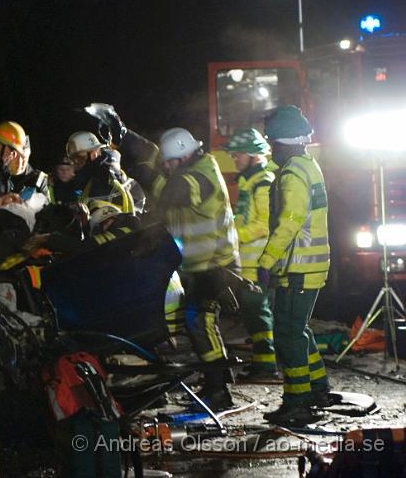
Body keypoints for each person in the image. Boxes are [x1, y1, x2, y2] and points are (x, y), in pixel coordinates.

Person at [135, 127, 240, 409]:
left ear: (183, 156)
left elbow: (169, 194)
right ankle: (218, 379)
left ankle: (218, 391)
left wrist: (143, 172)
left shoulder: (201, 174)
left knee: (199, 322)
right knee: (200, 323)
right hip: (202, 265)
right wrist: (124, 136)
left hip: (216, 265)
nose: (166, 168)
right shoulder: (190, 171)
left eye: (169, 163)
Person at [258, 106, 331, 426]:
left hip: (298, 266)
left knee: (287, 334)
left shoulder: (291, 173)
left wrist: (266, 261)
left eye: (273, 142)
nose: (271, 148)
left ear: (284, 142)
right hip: (309, 265)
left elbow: (289, 222)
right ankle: (317, 389)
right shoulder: (308, 165)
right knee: (298, 329)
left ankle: (297, 401)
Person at [224, 128, 279, 381]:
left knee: (258, 312)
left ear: (253, 155)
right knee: (252, 313)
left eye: (238, 155)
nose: (234, 160)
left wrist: (234, 235)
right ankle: (262, 362)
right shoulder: (250, 181)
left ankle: (267, 366)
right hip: (249, 263)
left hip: (258, 263)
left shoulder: (263, 182)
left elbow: (264, 225)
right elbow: (248, 217)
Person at [66, 131, 135, 214]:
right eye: (73, 159)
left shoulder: (102, 179)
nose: (75, 163)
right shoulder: (91, 178)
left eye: (79, 158)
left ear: (93, 154)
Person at [10, 135, 50, 200]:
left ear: (29, 155)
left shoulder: (39, 178)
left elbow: (45, 206)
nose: (19, 162)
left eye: (23, 158)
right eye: (16, 157)